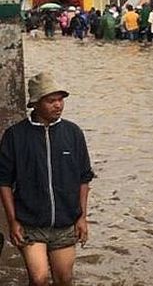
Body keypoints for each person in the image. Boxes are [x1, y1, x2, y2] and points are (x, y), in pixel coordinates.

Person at [0, 72, 94, 286]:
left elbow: (84, 179)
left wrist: (82, 217)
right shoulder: (15, 136)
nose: (58, 105)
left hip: (65, 223)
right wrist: (13, 221)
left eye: (60, 99)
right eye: (51, 101)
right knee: (39, 278)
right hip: (30, 223)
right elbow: (4, 182)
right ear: (35, 103)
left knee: (64, 279)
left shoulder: (73, 133)